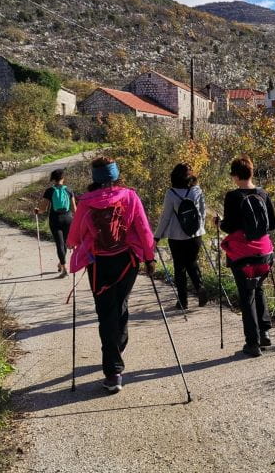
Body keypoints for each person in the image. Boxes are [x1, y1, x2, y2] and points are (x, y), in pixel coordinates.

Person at [67, 156, 156, 393]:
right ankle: (119, 346)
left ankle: (113, 371)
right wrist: (149, 258)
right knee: (121, 304)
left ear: (95, 178)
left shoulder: (86, 202)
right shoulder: (129, 196)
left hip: (99, 265)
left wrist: (76, 244)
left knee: (106, 312)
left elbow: (74, 237)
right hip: (128, 262)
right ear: (116, 175)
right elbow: (144, 229)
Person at [217, 156, 275, 357]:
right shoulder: (263, 194)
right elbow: (272, 225)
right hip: (264, 252)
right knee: (258, 287)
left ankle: (252, 344)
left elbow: (229, 226)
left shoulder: (233, 197)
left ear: (235, 175)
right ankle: (265, 332)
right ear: (252, 172)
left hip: (242, 254)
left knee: (246, 294)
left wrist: (218, 223)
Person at [153, 163, 208, 310]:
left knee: (179, 267)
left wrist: (157, 237)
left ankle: (182, 301)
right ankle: (200, 287)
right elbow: (203, 212)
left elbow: (165, 217)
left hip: (176, 236)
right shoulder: (197, 191)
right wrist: (198, 227)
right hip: (195, 235)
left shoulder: (171, 193)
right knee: (192, 262)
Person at [34, 168, 76, 277]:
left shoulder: (50, 191)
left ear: (53, 179)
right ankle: (61, 263)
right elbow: (74, 209)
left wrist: (37, 211)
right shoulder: (69, 190)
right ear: (63, 178)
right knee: (65, 243)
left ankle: (64, 266)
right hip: (68, 219)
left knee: (59, 243)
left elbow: (43, 208)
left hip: (55, 219)